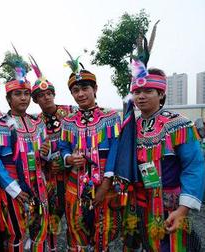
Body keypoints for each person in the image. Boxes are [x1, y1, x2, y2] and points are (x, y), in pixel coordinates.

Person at [121, 58, 205, 251]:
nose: (141, 96)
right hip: (138, 203)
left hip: (169, 206)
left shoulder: (179, 124)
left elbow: (194, 166)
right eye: (137, 92)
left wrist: (183, 209)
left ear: (161, 94)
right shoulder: (130, 127)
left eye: (148, 91)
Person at [59, 51, 121, 251]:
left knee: (103, 232)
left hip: (104, 184)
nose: (80, 94)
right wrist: (68, 159)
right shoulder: (68, 121)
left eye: (85, 88)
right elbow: (63, 148)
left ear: (95, 89)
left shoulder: (110, 117)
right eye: (75, 90)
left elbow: (115, 152)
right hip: (74, 187)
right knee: (76, 231)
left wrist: (105, 185)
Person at [0, 48, 49, 251]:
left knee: (41, 230)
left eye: (26, 94)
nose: (23, 98)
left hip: (39, 186)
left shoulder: (38, 123)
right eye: (17, 94)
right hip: (14, 187)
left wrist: (46, 153)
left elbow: (45, 156)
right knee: (18, 232)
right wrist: (13, 188)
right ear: (8, 99)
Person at [29, 54, 75, 251]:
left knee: (75, 218)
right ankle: (54, 247)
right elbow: (32, 152)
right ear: (36, 100)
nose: (46, 97)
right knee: (53, 219)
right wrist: (43, 155)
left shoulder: (71, 112)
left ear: (53, 94)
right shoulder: (34, 121)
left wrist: (67, 161)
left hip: (74, 174)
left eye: (48, 93)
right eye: (40, 95)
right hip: (49, 179)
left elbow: (82, 138)